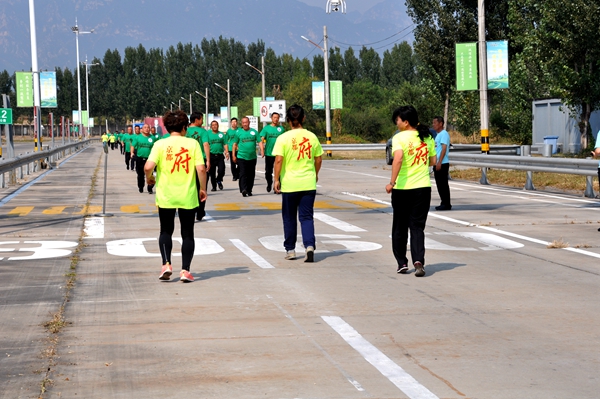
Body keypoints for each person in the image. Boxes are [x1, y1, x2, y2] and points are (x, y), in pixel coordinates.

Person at [144, 110, 207, 283]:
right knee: (187, 234)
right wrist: (202, 188)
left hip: (166, 196)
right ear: (185, 127)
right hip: (187, 195)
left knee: (165, 230)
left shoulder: (160, 144)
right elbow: (201, 169)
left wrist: (149, 179)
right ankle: (185, 271)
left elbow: (148, 166)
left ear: (166, 126)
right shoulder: (193, 144)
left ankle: (166, 264)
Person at [386, 105, 437, 277]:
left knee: (399, 226)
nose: (396, 123)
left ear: (406, 122)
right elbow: (433, 161)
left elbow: (398, 159)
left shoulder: (399, 138)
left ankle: (401, 262)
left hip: (402, 189)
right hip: (422, 188)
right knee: (417, 227)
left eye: (398, 120)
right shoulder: (427, 137)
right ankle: (418, 261)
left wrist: (391, 182)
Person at [273, 104, 323, 262]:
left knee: (289, 217)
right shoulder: (312, 136)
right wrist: (315, 174)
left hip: (290, 184)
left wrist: (276, 179)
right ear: (303, 118)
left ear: (288, 120)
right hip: (308, 183)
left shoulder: (283, 138)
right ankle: (309, 246)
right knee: (307, 217)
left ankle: (290, 249)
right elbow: (319, 158)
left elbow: (279, 160)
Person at [186, 112, 211, 221]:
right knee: (202, 186)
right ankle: (200, 211)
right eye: (202, 119)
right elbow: (205, 144)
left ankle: (191, 209)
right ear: (196, 120)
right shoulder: (203, 132)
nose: (203, 121)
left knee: (190, 186)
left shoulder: (184, 131)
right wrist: (208, 160)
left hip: (187, 161)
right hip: (200, 160)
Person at [232, 117, 264, 197]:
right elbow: (234, 144)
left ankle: (249, 190)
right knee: (242, 173)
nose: (245, 124)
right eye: (243, 123)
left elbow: (259, 142)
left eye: (246, 122)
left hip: (252, 157)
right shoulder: (238, 132)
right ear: (241, 124)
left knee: (251, 174)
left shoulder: (254, 132)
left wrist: (262, 150)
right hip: (241, 157)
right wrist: (233, 155)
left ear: (249, 122)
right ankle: (243, 189)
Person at [260, 112, 285, 193]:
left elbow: (285, 140)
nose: (276, 119)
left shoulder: (281, 129)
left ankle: (277, 187)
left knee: (279, 170)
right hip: (269, 153)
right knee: (268, 171)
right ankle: (269, 183)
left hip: (279, 153)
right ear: (271, 118)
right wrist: (262, 148)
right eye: (274, 117)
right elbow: (262, 138)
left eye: (277, 117)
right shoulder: (266, 128)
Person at [432, 116, 452, 211]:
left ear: (441, 123)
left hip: (442, 163)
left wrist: (439, 162)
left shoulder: (444, 134)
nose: (433, 125)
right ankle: (443, 202)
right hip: (438, 163)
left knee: (443, 184)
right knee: (439, 184)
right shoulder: (438, 135)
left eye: (435, 123)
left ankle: (446, 203)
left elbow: (444, 148)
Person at [131, 124, 156, 194]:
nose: (147, 129)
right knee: (140, 174)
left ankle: (150, 187)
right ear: (142, 129)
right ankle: (141, 186)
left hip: (150, 159)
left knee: (151, 174)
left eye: (148, 127)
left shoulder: (152, 138)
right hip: (140, 158)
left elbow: (156, 147)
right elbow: (133, 146)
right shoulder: (138, 138)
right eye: (145, 127)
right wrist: (131, 153)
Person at [207, 120, 229, 191]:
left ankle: (219, 180)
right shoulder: (207, 134)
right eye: (213, 125)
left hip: (220, 156)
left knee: (221, 170)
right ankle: (214, 186)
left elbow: (225, 144)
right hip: (211, 156)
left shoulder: (221, 134)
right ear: (211, 126)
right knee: (212, 173)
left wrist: (227, 152)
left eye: (215, 125)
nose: (214, 126)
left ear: (218, 126)